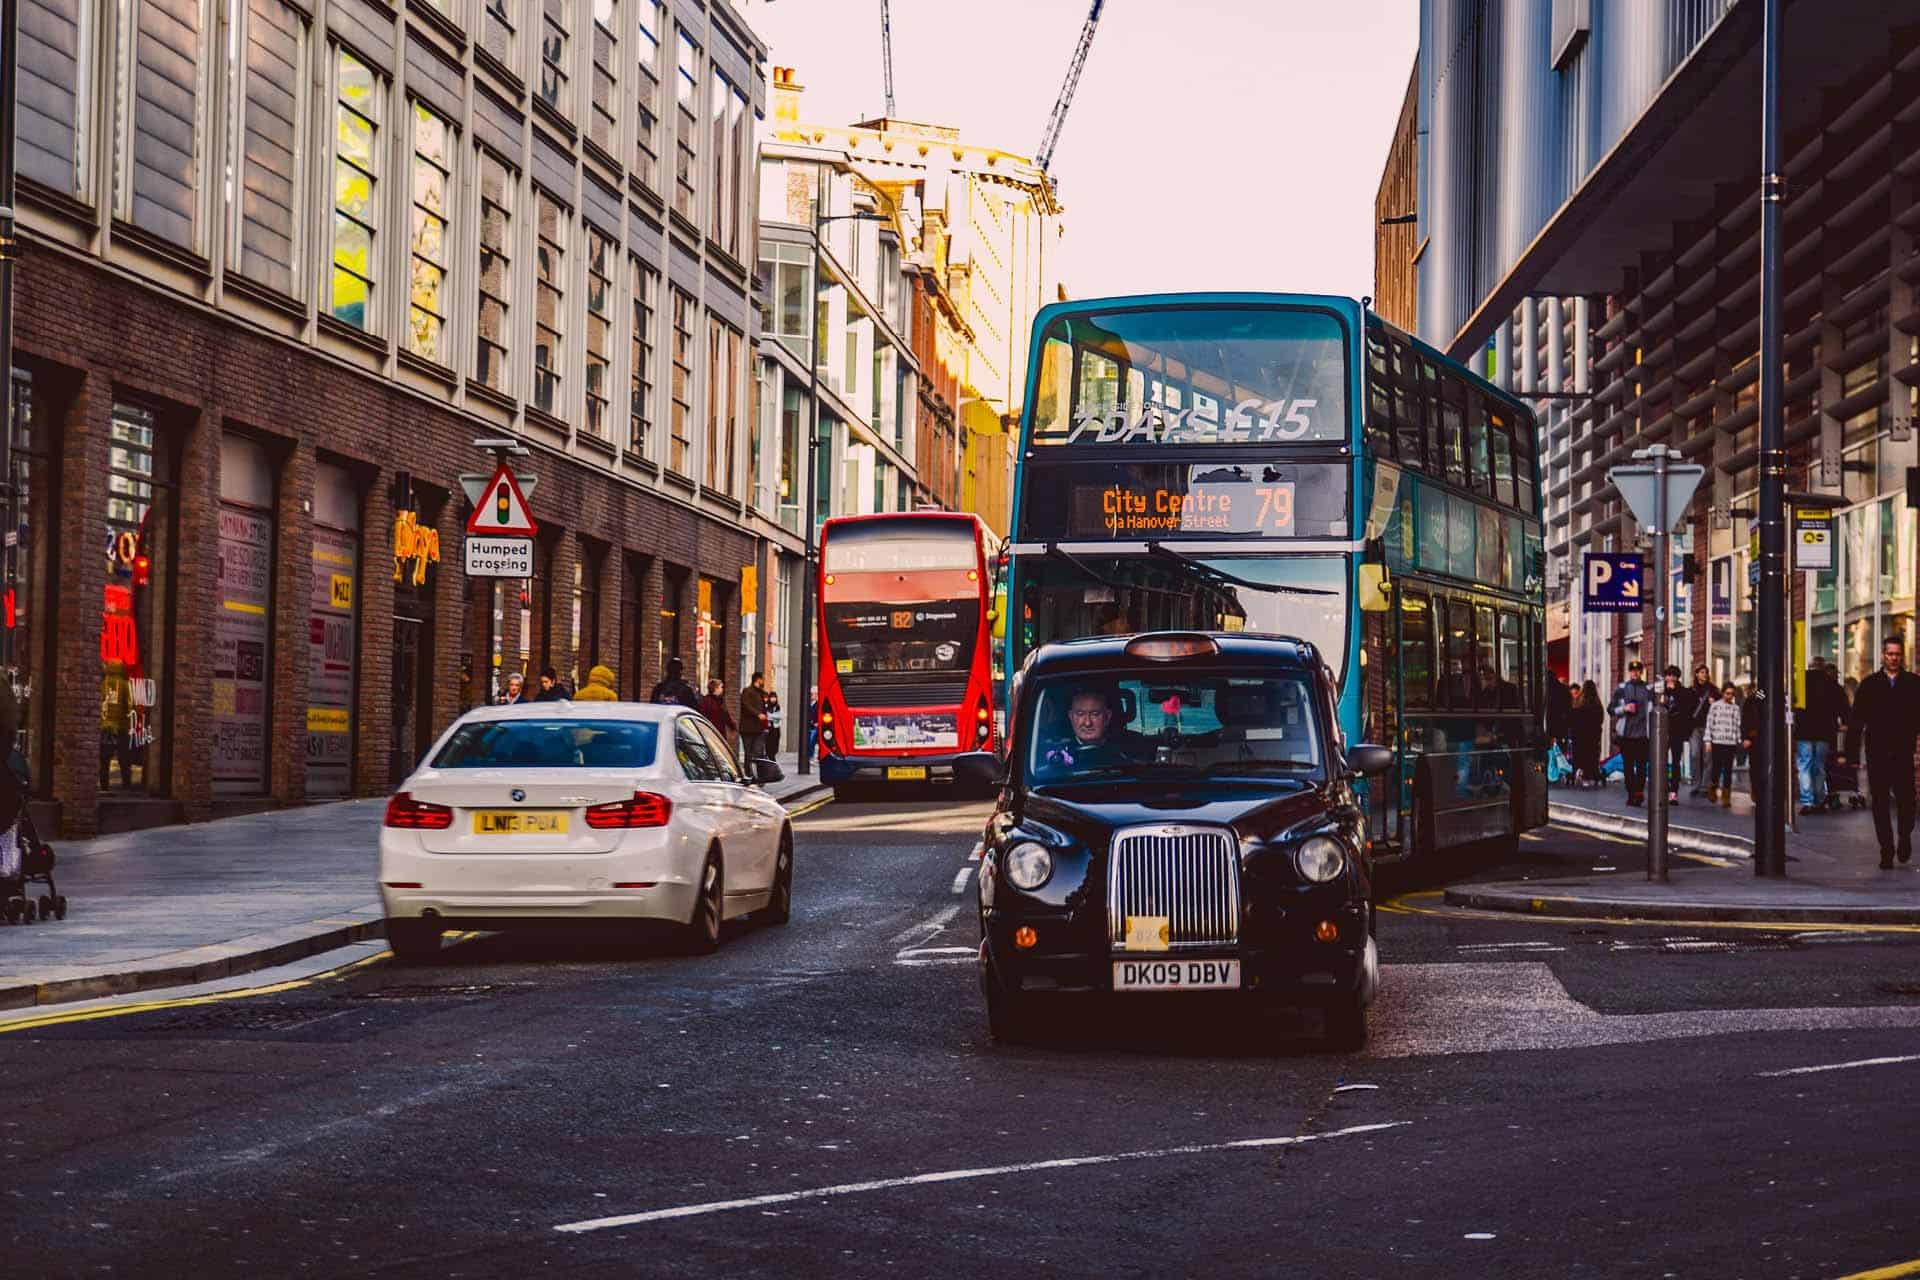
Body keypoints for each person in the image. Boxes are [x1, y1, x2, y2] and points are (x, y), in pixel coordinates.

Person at [1844, 637, 1920, 868]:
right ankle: (1886, 849)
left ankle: (1904, 836)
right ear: (1883, 655)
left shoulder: (1914, 684)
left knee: (1907, 801)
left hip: (1903, 752)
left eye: (1897, 654)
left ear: (1902, 657)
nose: (1894, 658)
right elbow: (1856, 721)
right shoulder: (1870, 685)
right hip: (1877, 753)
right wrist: (1852, 755)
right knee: (1879, 803)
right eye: (1890, 654)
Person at [1042, 685, 1148, 772]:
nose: (1087, 723)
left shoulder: (1132, 747)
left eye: (1095, 714)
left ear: (1107, 716)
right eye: (1080, 714)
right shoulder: (1054, 751)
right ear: (1071, 716)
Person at [1794, 659, 1847, 814]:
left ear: (1810, 667)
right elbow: (1843, 706)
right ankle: (1818, 800)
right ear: (1824, 668)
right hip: (1825, 732)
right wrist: (1845, 722)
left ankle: (1807, 801)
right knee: (1819, 766)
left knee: (1804, 766)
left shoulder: (1799, 683)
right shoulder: (1832, 684)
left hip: (1804, 731)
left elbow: (1791, 703)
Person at [1609, 661, 1653, 806]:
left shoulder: (1648, 689)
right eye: (1632, 670)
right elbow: (1610, 709)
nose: (1635, 673)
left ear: (1642, 672)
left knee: (1641, 766)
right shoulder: (1622, 688)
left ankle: (1639, 792)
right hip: (1626, 735)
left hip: (1642, 735)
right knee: (1628, 766)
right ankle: (1630, 793)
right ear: (1629, 672)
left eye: (1638, 670)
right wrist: (1624, 709)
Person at [1703, 683, 1742, 807]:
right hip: (1717, 741)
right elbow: (1709, 724)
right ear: (1722, 692)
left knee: (1728, 770)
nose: (1729, 696)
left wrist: (1738, 741)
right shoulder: (1715, 706)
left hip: (1730, 743)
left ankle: (1726, 797)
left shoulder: (1735, 708)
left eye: (1732, 694)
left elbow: (1737, 725)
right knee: (1716, 768)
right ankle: (1713, 789)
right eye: (1727, 693)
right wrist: (1708, 741)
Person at [1686, 664, 1720, 797]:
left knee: (1708, 757)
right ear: (1696, 674)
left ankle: (1705, 787)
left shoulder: (1713, 690)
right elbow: (1687, 709)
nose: (1704, 674)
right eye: (1701, 672)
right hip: (1694, 727)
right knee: (1695, 755)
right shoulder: (1691, 690)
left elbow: (1721, 705)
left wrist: (1714, 703)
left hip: (1709, 727)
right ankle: (1696, 784)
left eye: (1706, 672)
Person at [100, 659, 134, 788]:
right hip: (121, 727)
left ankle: (104, 785)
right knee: (124, 758)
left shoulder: (103, 683)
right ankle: (126, 784)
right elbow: (129, 706)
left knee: (104, 759)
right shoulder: (125, 684)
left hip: (105, 726)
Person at [1660, 666, 1691, 803]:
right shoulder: (1661, 691)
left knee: (1676, 761)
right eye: (1668, 675)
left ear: (1678, 678)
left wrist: (1674, 692)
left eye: (1674, 676)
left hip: (1676, 731)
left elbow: (1686, 707)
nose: (1671, 678)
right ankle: (1663, 786)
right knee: (1661, 760)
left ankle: (1674, 791)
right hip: (1662, 730)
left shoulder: (1683, 692)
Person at [1574, 680, 1605, 787]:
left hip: (1580, 734)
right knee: (1592, 755)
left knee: (1580, 754)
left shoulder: (1578, 703)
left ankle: (1579, 772)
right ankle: (1591, 775)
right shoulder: (1597, 704)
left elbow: (1573, 717)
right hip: (1594, 734)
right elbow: (1600, 719)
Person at [1740, 682, 1766, 801]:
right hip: (1757, 737)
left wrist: (1746, 737)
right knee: (1756, 766)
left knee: (1756, 766)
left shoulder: (1752, 699)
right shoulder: (1754, 699)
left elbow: (1745, 719)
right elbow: (1746, 719)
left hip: (1755, 736)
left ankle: (1757, 791)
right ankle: (1757, 791)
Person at [739, 672, 770, 764]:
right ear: (758, 679)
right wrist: (758, 714)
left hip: (759, 728)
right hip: (748, 728)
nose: (764, 681)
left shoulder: (762, 693)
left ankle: (756, 773)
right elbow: (746, 705)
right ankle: (748, 773)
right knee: (748, 753)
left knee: (757, 753)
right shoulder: (747, 691)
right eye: (763, 679)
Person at [698, 678, 737, 747]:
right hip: (716, 731)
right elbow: (725, 715)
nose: (722, 689)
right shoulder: (718, 702)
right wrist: (732, 727)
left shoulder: (705, 701)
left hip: (711, 731)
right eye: (721, 687)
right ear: (716, 688)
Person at [1546, 673, 1573, 756]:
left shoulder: (1547, 690)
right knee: (1560, 752)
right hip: (1562, 727)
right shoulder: (1564, 689)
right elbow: (1569, 709)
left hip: (1551, 725)